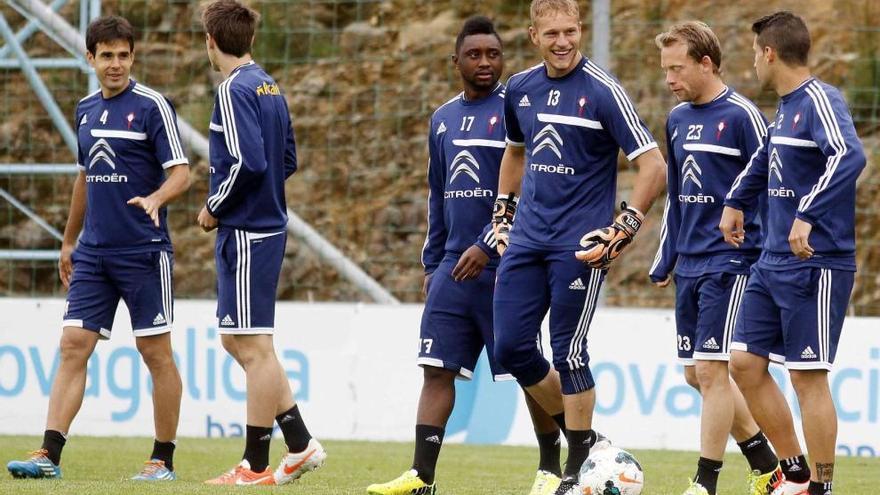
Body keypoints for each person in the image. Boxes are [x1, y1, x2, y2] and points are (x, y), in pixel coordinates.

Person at [366, 16, 563, 495]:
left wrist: (490, 242)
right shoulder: (443, 119)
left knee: (526, 366)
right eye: (474, 55)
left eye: (493, 54)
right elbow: (438, 194)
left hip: (508, 265)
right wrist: (432, 264)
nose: (484, 63)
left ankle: (555, 467)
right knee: (437, 369)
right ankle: (421, 477)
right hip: (454, 266)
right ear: (455, 61)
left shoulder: (518, 110)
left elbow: (533, 188)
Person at [491, 1, 667, 493]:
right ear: (533, 36)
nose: (562, 41)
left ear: (581, 31)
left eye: (570, 31)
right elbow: (514, 152)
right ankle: (590, 442)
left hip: (579, 247)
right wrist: (502, 214)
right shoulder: (521, 89)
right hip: (525, 241)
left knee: (569, 353)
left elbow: (653, 165)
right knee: (510, 348)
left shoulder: (603, 90)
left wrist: (624, 227)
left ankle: (576, 466)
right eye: (552, 33)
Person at [6, 15, 189, 481]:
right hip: (93, 254)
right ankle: (48, 455)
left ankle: (162, 460)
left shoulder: (152, 107)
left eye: (123, 55)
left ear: (133, 56)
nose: (115, 64)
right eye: (106, 55)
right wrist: (69, 240)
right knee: (73, 345)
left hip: (144, 252)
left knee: (155, 354)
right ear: (90, 58)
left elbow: (182, 173)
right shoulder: (85, 109)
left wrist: (156, 198)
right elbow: (85, 177)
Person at [720, 11, 866, 495]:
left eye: (753, 54)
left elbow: (849, 154)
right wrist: (735, 202)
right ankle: (796, 472)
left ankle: (822, 486)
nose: (752, 64)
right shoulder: (785, 109)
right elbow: (766, 157)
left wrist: (809, 212)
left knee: (807, 377)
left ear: (769, 53)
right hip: (772, 261)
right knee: (743, 364)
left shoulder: (821, 99)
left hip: (815, 262)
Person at [650, 21, 782, 495]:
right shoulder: (677, 119)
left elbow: (771, 187)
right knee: (695, 374)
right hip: (688, 261)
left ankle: (704, 482)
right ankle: (767, 464)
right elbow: (676, 197)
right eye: (666, 69)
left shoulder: (744, 116)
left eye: (677, 68)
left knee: (711, 370)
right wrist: (665, 257)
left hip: (732, 261)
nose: (669, 80)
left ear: (706, 63)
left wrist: (768, 250)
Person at [197, 0, 325, 486]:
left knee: (254, 348)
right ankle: (299, 442)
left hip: (249, 230)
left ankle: (254, 463)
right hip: (261, 225)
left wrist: (216, 206)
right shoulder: (268, 84)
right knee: (238, 339)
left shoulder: (232, 90)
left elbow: (249, 163)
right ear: (249, 39)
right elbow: (286, 158)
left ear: (212, 42)